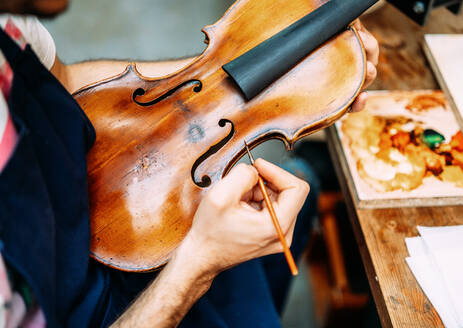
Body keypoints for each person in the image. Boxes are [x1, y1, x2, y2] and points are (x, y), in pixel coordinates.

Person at [0, 1, 379, 327]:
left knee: (298, 198)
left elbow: (60, 82)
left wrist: (236, 62)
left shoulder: (8, 16)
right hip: (97, 308)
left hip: (106, 199)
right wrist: (199, 264)